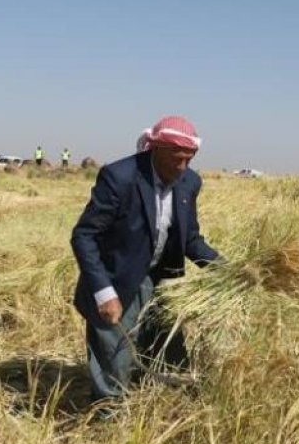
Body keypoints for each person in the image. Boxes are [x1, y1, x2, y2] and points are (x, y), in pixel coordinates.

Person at [70, 116, 219, 406]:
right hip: (117, 276)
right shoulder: (120, 177)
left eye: (189, 159)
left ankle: (166, 406)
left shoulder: (189, 182)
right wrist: (103, 291)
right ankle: (108, 417)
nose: (182, 167)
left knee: (167, 347)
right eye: (177, 159)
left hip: (159, 277)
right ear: (156, 149)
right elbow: (84, 236)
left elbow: (190, 240)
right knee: (114, 355)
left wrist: (228, 270)